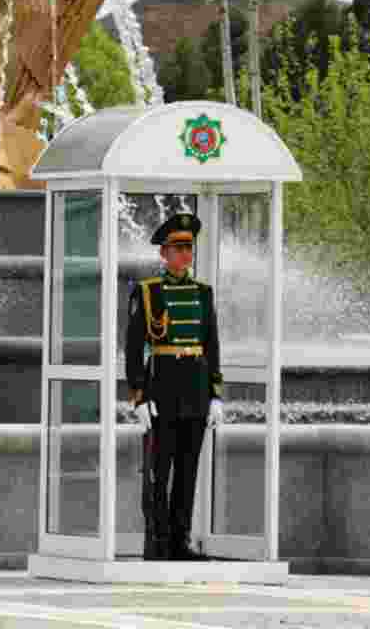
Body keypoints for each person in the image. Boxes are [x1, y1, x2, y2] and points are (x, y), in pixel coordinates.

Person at [125, 211, 224, 561]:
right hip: (162, 390)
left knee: (187, 471)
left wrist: (215, 395)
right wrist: (138, 397)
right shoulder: (148, 291)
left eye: (189, 248)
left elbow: (211, 346)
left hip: (195, 390)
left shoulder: (203, 293)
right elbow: (135, 347)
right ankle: (157, 542)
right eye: (178, 248)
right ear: (163, 253)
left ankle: (180, 541)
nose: (185, 254)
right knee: (157, 471)